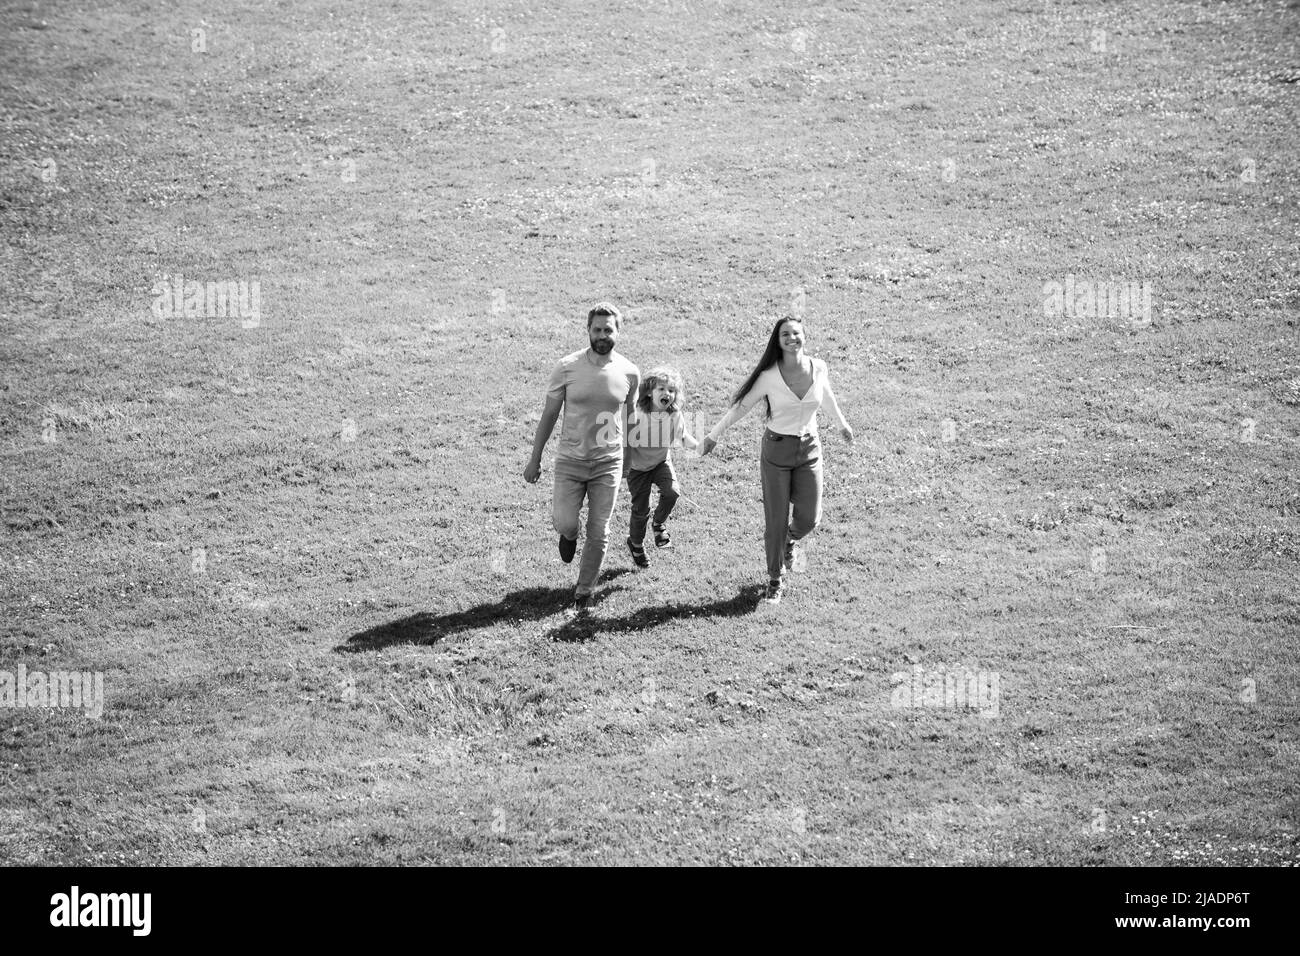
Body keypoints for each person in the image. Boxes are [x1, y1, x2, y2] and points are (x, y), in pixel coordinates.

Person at [699, 317, 852, 604]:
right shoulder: (770, 375)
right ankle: (775, 578)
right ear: (777, 340)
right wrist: (713, 435)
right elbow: (742, 407)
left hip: (809, 449)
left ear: (804, 336)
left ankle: (790, 540)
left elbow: (826, 395)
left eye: (796, 333)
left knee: (809, 518)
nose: (792, 338)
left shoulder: (818, 367)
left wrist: (842, 424)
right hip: (777, 451)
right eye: (785, 334)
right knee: (776, 519)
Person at [524, 303, 639, 615]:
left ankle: (584, 592)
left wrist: (629, 460)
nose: (602, 335)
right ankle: (569, 534)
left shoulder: (630, 372)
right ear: (588, 330)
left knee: (600, 530)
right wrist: (535, 459)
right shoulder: (567, 366)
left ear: (618, 332)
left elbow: (630, 420)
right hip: (571, 461)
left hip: (608, 463)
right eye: (597, 329)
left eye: (608, 330)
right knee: (565, 521)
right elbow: (549, 415)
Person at [623, 367, 699, 569]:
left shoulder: (674, 414)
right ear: (649, 391)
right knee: (641, 510)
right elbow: (622, 439)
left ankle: (658, 525)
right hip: (637, 469)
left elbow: (682, 437)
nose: (667, 394)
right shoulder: (638, 413)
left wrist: (699, 446)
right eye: (662, 389)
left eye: (672, 390)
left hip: (660, 463)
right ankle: (636, 545)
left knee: (672, 492)